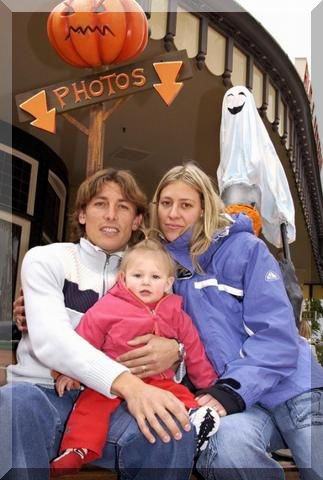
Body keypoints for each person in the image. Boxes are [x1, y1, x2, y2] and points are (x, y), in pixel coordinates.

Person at [1, 168, 196, 480]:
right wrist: (128, 384)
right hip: (46, 396)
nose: (110, 215)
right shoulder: (46, 260)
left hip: (116, 408)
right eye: (99, 204)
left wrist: (177, 352)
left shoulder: (153, 276)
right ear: (81, 214)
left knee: (172, 427)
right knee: (14, 403)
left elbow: (177, 341)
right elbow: (54, 340)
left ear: (136, 221)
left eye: (123, 207)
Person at [148, 163, 323, 480]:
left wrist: (230, 391)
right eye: (165, 203)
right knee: (227, 450)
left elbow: (277, 335)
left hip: (292, 387)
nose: (173, 213)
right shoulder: (156, 267)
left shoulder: (245, 249)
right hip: (238, 405)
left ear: (204, 210)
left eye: (186, 205)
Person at [50, 238, 220, 476]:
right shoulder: (109, 307)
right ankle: (77, 448)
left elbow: (193, 349)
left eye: (155, 277)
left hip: (159, 381)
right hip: (110, 379)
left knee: (178, 397)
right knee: (89, 407)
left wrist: (209, 386)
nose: (145, 283)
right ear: (124, 278)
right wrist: (67, 371)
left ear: (168, 282)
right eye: (138, 276)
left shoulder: (176, 313)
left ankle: (197, 418)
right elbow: (83, 339)